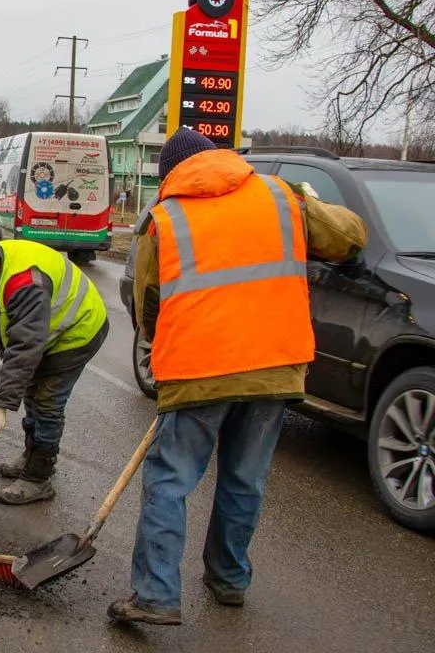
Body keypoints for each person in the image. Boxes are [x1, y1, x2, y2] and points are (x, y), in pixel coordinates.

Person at [108, 128, 367, 625]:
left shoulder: (164, 219)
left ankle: (157, 595)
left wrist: (169, 356)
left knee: (169, 482)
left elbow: (148, 308)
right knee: (244, 479)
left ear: (169, 176)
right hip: (274, 365)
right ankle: (228, 578)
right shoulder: (280, 196)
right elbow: (350, 236)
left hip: (199, 369)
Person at [0, 228, 109, 504]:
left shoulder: (24, 282)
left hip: (77, 331)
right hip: (47, 332)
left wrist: (1, 404)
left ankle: (39, 477)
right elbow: (9, 331)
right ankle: (31, 454)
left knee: (47, 403)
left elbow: (25, 346)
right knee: (32, 393)